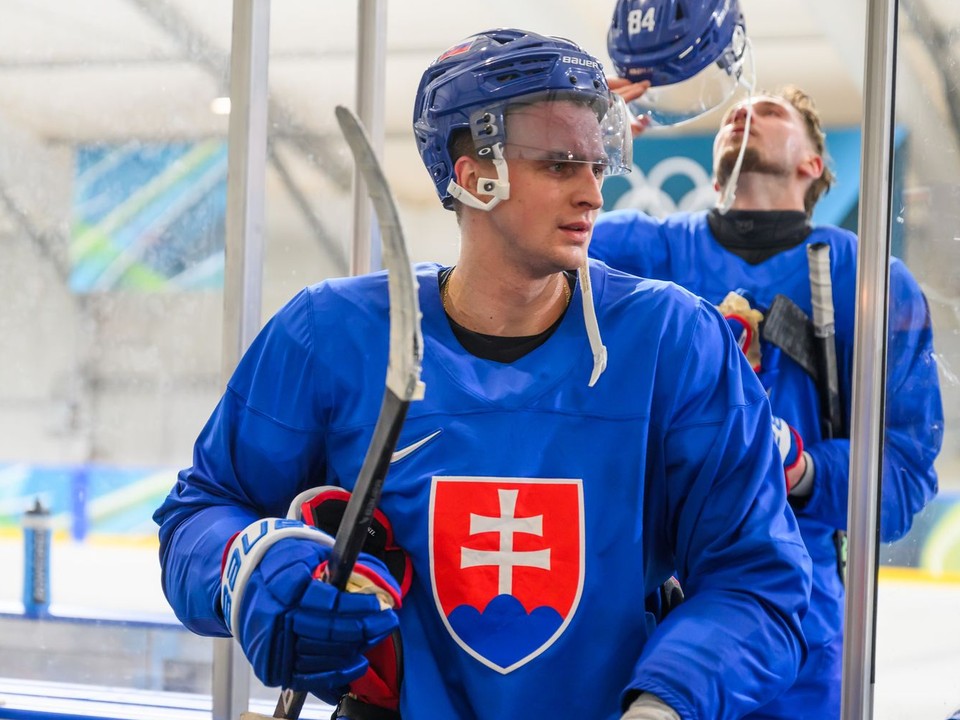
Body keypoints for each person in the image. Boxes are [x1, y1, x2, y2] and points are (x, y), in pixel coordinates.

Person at [154, 29, 813, 720]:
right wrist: (252, 568)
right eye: (561, 164)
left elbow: (757, 578)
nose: (593, 193)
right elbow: (199, 514)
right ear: (474, 177)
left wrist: (665, 705)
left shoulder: (676, 342)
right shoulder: (330, 333)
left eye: (597, 164)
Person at [590, 85, 945, 719]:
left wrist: (803, 469)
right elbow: (522, 260)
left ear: (814, 164)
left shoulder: (870, 282)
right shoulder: (637, 250)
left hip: (802, 620)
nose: (744, 113)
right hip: (644, 597)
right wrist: (589, 150)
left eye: (771, 112)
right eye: (735, 113)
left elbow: (904, 480)